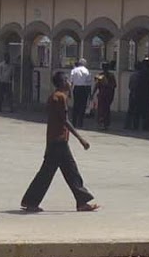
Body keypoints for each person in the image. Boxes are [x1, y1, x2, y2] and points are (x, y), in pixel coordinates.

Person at [20, 71, 98, 213]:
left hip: (56, 140)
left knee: (69, 171)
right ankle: (30, 201)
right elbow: (64, 120)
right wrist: (80, 138)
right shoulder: (59, 97)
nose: (70, 82)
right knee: (52, 172)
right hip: (58, 141)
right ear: (63, 82)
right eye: (67, 80)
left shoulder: (56, 97)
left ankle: (81, 201)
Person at [126, 60, 149, 131]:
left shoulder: (133, 75)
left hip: (134, 95)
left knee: (134, 111)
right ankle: (145, 126)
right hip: (144, 95)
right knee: (145, 111)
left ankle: (133, 125)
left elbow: (130, 86)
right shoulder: (147, 74)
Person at [67, 58, 94, 128]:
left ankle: (74, 122)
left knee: (76, 105)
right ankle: (80, 123)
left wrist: (69, 92)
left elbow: (71, 83)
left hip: (76, 88)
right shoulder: (87, 71)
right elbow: (89, 84)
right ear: (85, 64)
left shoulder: (74, 70)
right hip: (84, 89)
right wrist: (90, 94)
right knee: (83, 106)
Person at [92, 62, 117, 131]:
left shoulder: (111, 76)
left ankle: (105, 123)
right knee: (101, 109)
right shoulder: (100, 75)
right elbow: (96, 85)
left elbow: (114, 86)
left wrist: (106, 84)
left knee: (105, 109)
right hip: (102, 95)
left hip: (107, 95)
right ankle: (101, 123)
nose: (105, 69)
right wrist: (93, 93)